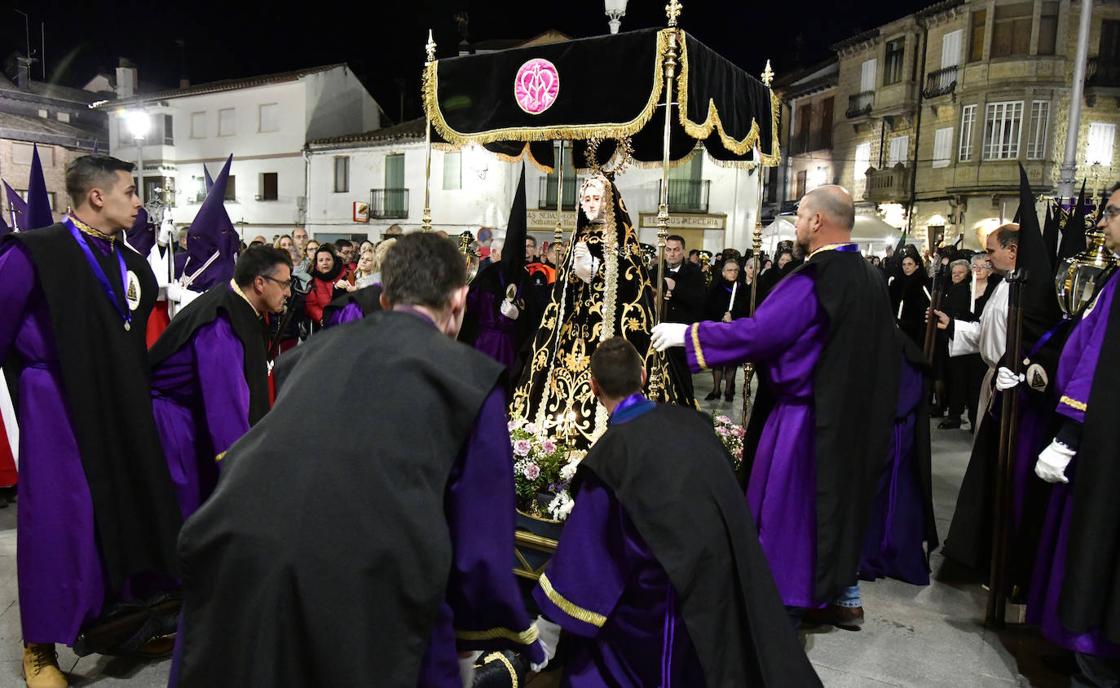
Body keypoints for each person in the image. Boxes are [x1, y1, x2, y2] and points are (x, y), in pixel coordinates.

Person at [169, 232, 544, 687]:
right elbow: (478, 549)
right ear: (461, 300)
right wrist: (493, 635)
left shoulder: (305, 357)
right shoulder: (470, 381)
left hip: (229, 563)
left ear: (385, 297)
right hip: (357, 591)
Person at [652, 185, 898, 627]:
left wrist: (690, 335)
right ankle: (843, 594)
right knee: (837, 506)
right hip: (854, 416)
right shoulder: (870, 277)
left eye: (802, 215)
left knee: (789, 509)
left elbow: (762, 332)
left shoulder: (813, 278)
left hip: (806, 418)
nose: (798, 224)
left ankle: (783, 598)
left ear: (818, 222)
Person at [535, 337, 821, 687]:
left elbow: (587, 562)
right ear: (642, 375)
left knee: (591, 648)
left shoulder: (612, 457)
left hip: (663, 609)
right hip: (722, 588)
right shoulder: (694, 422)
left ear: (593, 387)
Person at [0, 156, 182, 687]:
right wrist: (38, 382)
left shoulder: (127, 259)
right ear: (97, 197)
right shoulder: (34, 252)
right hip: (57, 404)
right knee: (60, 517)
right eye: (130, 191)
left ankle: (119, 620)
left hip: (119, 401)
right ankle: (39, 647)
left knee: (121, 506)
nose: (138, 201)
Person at [511, 174, 693, 450]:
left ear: (609, 201)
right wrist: (574, 275)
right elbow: (562, 289)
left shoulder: (620, 240)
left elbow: (631, 283)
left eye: (596, 198)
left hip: (613, 330)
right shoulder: (577, 238)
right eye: (586, 199)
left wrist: (596, 270)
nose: (590, 205)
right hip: (576, 327)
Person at [1026, 184, 1120, 688]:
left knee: (1095, 552)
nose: (1102, 224)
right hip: (1094, 438)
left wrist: (1069, 431)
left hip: (1101, 443)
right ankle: (1075, 640)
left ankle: (1094, 658)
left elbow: (1100, 362)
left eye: (1110, 213)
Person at [149, 246, 291, 519]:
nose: (287, 292)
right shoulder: (220, 323)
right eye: (284, 284)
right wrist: (243, 465)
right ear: (260, 283)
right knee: (188, 507)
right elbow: (225, 403)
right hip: (174, 422)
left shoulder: (236, 304)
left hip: (190, 414)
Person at [660, 234, 706, 399]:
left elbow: (699, 301)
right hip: (659, 333)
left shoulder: (695, 273)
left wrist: (675, 288)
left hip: (681, 335)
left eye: (676, 250)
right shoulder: (656, 271)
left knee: (681, 379)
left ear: (683, 251)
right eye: (669, 250)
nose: (672, 254)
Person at [702, 258, 751, 402]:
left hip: (734, 329)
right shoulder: (716, 287)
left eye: (735, 270)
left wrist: (733, 315)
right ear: (723, 272)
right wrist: (720, 316)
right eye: (729, 270)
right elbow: (708, 307)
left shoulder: (743, 289)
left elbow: (746, 308)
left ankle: (729, 389)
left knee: (731, 361)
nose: (733, 273)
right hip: (718, 327)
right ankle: (716, 389)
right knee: (717, 360)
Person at [940, 259, 973, 429]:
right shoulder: (953, 289)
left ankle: (955, 413)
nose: (956, 275)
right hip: (952, 336)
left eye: (960, 272)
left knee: (957, 378)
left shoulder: (962, 290)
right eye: (954, 272)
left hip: (958, 338)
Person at [889, 248, 931, 347]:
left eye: (909, 264)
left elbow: (926, 304)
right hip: (896, 326)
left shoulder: (923, 283)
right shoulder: (896, 283)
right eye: (904, 264)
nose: (906, 267)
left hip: (916, 328)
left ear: (916, 266)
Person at [304, 243, 347, 329]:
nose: (325, 263)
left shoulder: (345, 276)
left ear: (334, 261)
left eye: (328, 259)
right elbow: (311, 305)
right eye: (321, 260)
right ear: (316, 263)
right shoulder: (312, 281)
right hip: (323, 324)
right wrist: (322, 318)